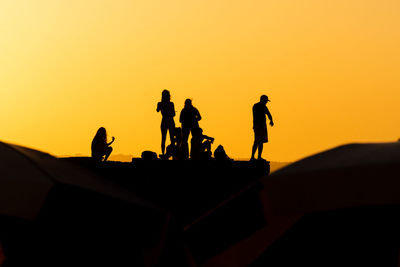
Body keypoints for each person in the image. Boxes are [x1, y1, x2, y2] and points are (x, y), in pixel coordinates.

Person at [251, 95, 274, 161]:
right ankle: (253, 157)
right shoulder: (257, 106)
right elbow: (268, 114)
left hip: (261, 126)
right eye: (266, 101)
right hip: (258, 126)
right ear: (262, 100)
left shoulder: (261, 106)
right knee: (257, 141)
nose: (266, 102)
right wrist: (271, 120)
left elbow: (269, 114)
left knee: (260, 141)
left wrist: (271, 120)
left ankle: (258, 157)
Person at [157, 90, 176, 155]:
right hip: (170, 121)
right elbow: (173, 114)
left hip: (165, 121)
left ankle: (163, 153)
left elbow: (157, 110)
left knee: (164, 138)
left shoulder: (160, 103)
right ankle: (172, 154)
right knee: (171, 138)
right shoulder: (170, 104)